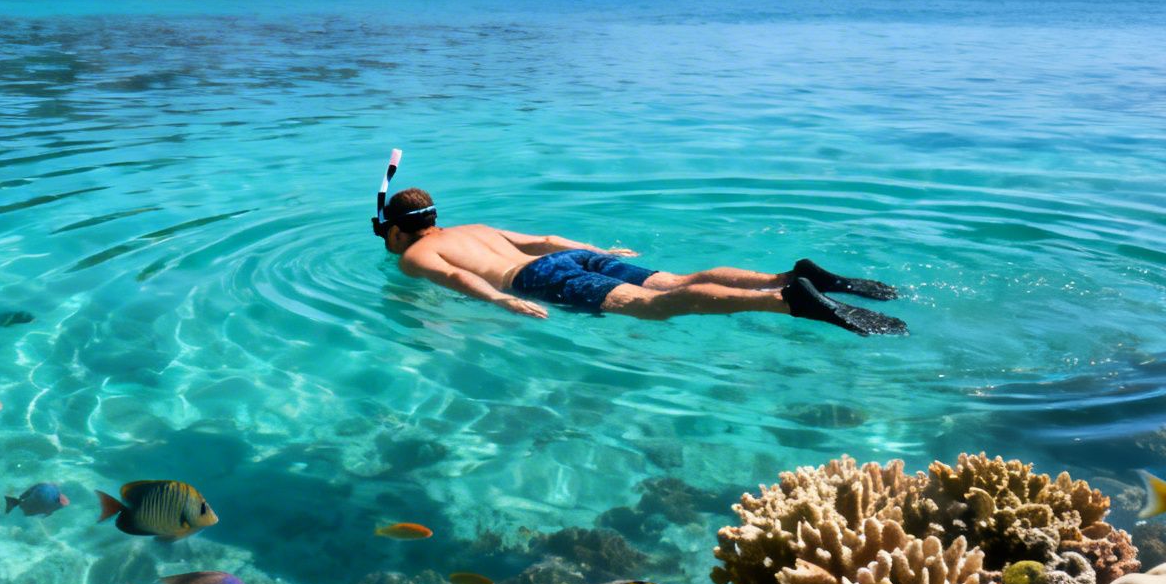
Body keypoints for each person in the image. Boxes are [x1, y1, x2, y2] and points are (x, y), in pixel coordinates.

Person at [376, 187, 906, 335]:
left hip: (534, 279)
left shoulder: (414, 255)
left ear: (399, 230)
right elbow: (543, 237)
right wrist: (602, 252)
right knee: (679, 280)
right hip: (574, 255)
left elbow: (453, 276)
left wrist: (500, 302)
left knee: (656, 307)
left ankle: (782, 299)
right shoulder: (475, 227)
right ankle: (791, 274)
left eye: (389, 235)